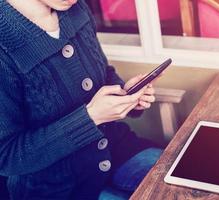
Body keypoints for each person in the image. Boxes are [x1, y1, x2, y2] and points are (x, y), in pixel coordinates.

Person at [0, 0, 162, 199]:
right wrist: (90, 118)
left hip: (117, 149)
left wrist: (125, 95)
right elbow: (7, 156)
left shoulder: (76, 8)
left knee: (186, 178)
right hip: (57, 189)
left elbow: (104, 72)